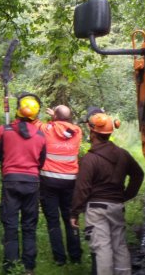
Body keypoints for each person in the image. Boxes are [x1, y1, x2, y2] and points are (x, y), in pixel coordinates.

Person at [70, 111, 144, 275]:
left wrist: (74, 212)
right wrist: (125, 195)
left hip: (97, 209)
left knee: (102, 247)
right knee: (119, 245)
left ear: (93, 132)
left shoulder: (90, 159)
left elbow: (82, 188)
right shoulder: (123, 154)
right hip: (117, 206)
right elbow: (138, 175)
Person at [0, 93, 47, 273]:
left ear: (18, 110)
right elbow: (41, 162)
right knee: (29, 225)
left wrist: (6, 155)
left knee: (11, 225)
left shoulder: (4, 131)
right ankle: (29, 267)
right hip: (32, 182)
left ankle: (11, 267)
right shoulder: (41, 136)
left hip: (11, 181)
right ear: (35, 115)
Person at [39, 105, 83, 266]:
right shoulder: (78, 132)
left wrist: (52, 119)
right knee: (70, 218)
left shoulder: (47, 129)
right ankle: (76, 256)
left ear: (55, 117)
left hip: (48, 181)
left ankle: (59, 259)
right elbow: (65, 129)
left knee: (53, 221)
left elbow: (35, 122)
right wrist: (56, 118)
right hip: (70, 181)